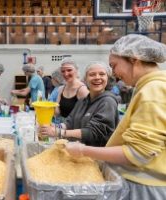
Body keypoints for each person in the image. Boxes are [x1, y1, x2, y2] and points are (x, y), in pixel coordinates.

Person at [65, 34, 166, 199]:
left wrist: (83, 150)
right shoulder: (149, 88)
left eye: (114, 65)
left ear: (134, 59)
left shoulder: (152, 91)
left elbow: (137, 153)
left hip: (145, 189)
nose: (114, 73)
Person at [41, 61, 119, 146]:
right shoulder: (83, 101)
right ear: (85, 79)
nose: (97, 77)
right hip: (78, 152)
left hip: (97, 155)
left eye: (102, 74)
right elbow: (69, 123)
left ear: (108, 78)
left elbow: (93, 132)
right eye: (92, 74)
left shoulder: (107, 101)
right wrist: (53, 127)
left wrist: (59, 132)